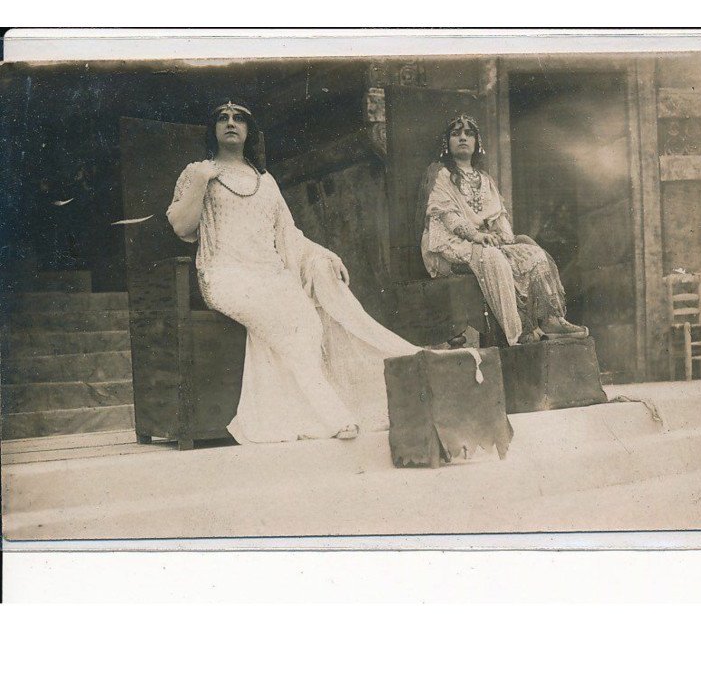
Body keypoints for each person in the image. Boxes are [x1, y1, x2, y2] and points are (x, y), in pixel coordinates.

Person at [167, 101, 416, 444]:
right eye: (222, 118)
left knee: (307, 322)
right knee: (286, 325)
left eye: (239, 119)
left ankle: (301, 413)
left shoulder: (265, 181)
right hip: (225, 275)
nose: (230, 123)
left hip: (270, 275)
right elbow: (182, 227)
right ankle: (334, 415)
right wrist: (199, 182)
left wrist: (323, 255)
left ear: (249, 131)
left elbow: (288, 234)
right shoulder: (197, 172)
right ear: (213, 130)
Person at [419, 114, 588, 346]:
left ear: (477, 142)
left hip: (486, 241)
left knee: (533, 253)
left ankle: (551, 318)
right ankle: (518, 332)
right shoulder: (442, 176)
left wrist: (505, 237)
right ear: (447, 143)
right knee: (494, 258)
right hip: (452, 243)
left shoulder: (485, 179)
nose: (463, 138)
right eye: (456, 134)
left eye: (469, 134)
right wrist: (477, 235)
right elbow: (448, 216)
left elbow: (498, 216)